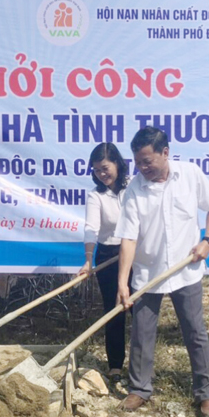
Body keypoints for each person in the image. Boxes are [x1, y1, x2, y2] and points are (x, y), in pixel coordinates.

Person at [114, 126, 209, 417]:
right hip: (148, 272)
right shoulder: (134, 189)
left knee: (194, 331)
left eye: (147, 161)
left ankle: (206, 394)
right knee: (142, 333)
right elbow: (128, 238)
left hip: (185, 270)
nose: (142, 168)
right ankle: (139, 389)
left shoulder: (190, 175)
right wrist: (122, 282)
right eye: (137, 162)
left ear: (165, 153)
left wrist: (207, 240)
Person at [78, 142, 130, 383]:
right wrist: (88, 260)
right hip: (109, 255)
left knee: (140, 308)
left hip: (137, 253)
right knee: (114, 309)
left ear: (118, 164)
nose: (102, 174)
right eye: (97, 170)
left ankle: (140, 366)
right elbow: (91, 228)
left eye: (105, 168)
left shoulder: (134, 188)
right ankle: (116, 365)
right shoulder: (95, 196)